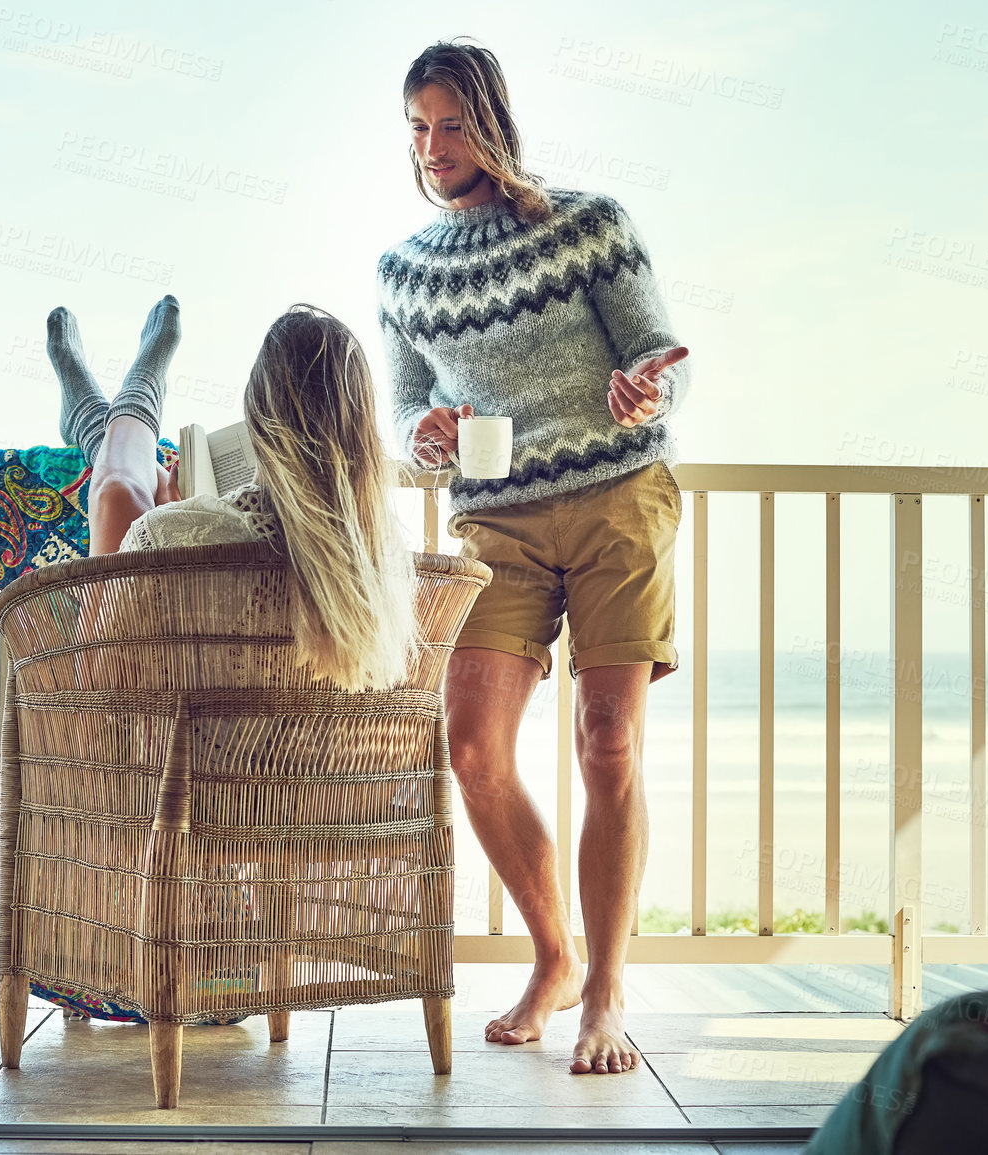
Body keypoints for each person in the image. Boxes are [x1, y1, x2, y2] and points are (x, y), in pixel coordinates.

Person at [376, 39, 691, 1075]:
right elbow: (407, 402)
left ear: (493, 121)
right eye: (418, 127)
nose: (433, 147)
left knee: (609, 742)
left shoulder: (590, 227)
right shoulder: (405, 272)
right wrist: (424, 432)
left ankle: (605, 993)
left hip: (615, 499)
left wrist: (644, 387)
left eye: (452, 123)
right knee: (472, 748)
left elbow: (655, 356)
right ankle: (552, 956)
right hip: (495, 524)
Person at [48, 296, 417, 693]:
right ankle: (98, 416)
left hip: (180, 754)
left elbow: (93, 697)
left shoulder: (169, 536)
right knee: (129, 485)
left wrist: (167, 532)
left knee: (118, 490)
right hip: (329, 756)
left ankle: (122, 404)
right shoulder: (393, 574)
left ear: (258, 425)